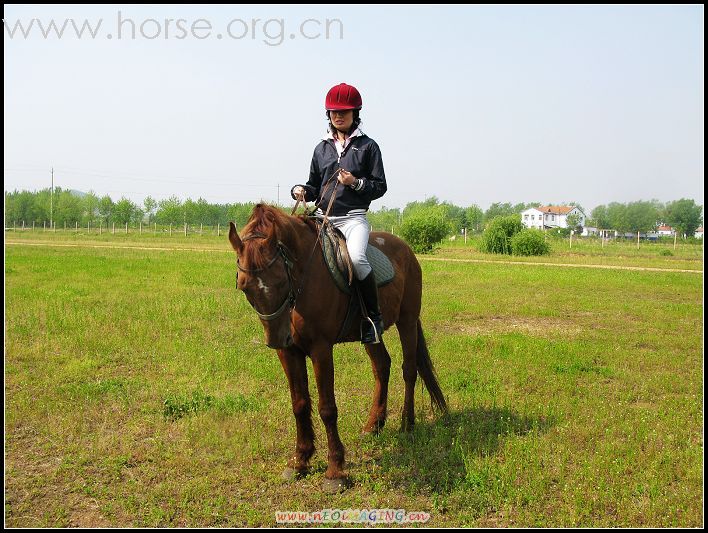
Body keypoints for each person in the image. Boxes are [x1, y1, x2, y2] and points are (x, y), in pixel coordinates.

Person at [291, 82, 387, 344]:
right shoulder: (321, 148)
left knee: (356, 258)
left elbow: (380, 186)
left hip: (353, 219)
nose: (338, 116)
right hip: (323, 219)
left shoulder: (368, 147)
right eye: (334, 111)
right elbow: (314, 185)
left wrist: (355, 183)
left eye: (344, 111)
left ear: (356, 113)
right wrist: (301, 191)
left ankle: (373, 319)